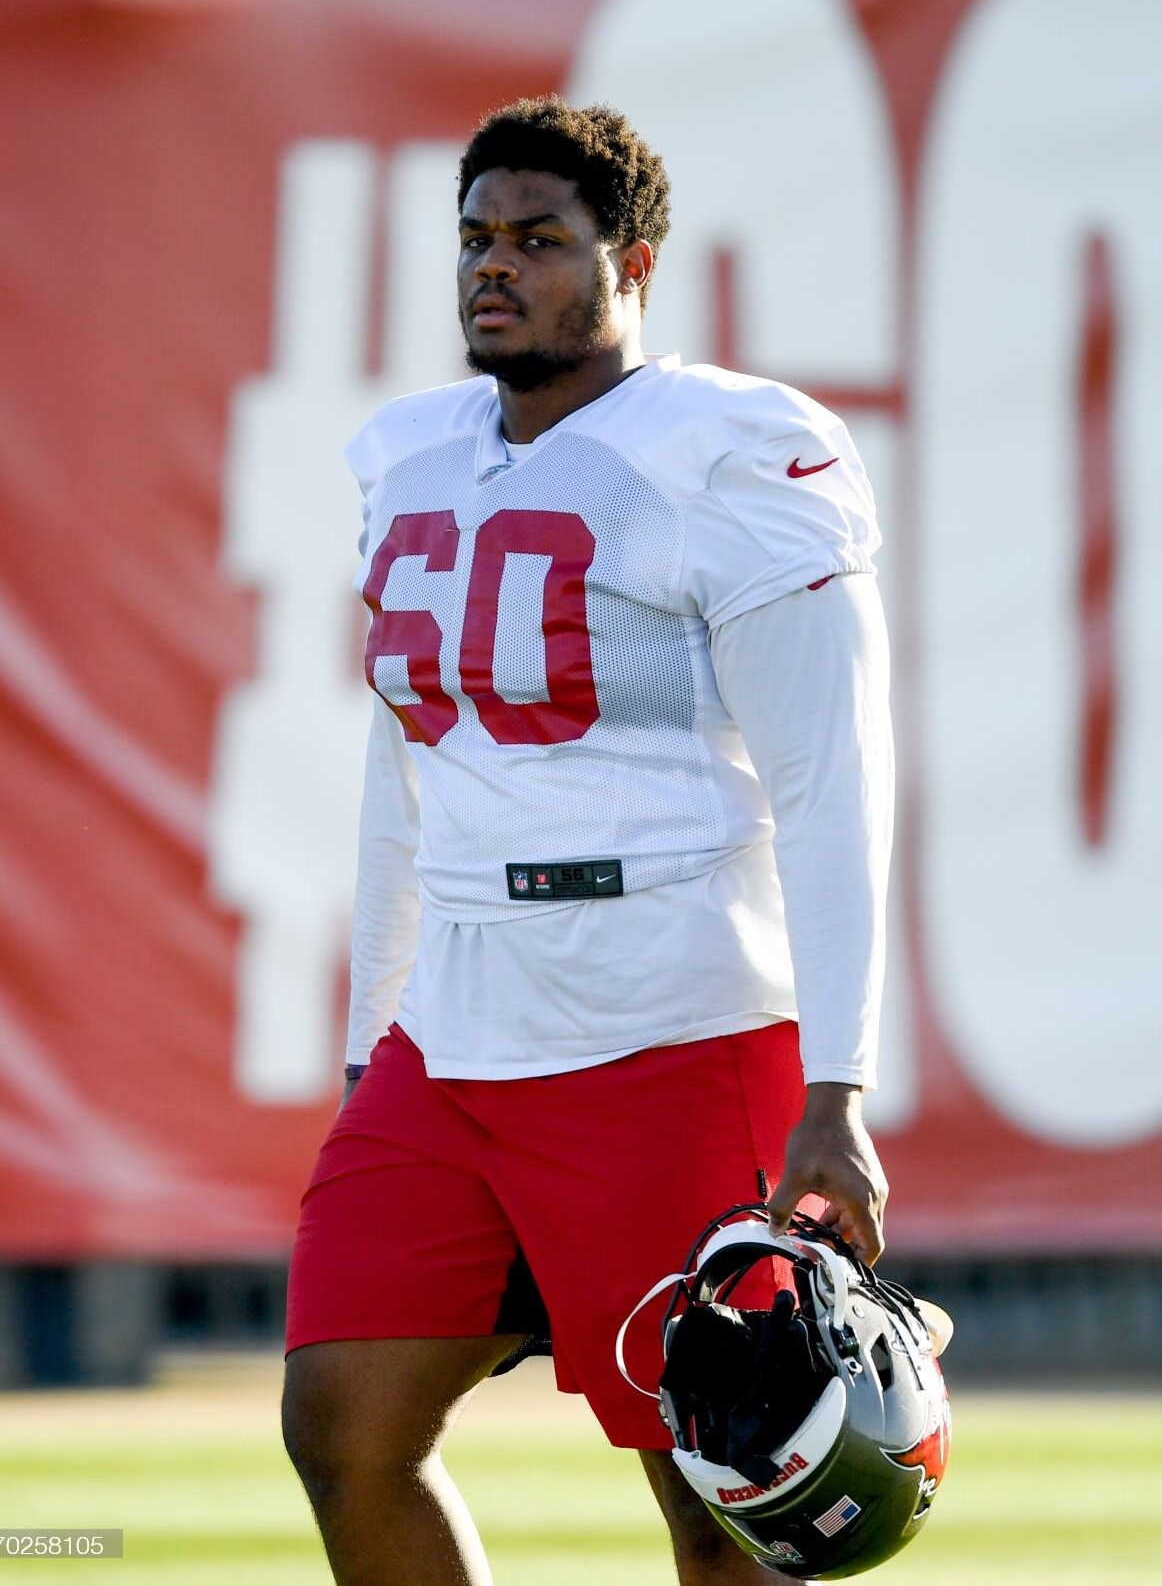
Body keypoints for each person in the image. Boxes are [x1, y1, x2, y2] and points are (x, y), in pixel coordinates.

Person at [281, 95, 892, 1586]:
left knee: (722, 1479)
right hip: (462, 1019)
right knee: (345, 1422)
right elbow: (402, 774)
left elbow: (833, 779)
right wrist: (374, 1034)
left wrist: (838, 1085)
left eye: (540, 241)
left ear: (635, 261)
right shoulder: (411, 455)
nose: (496, 269)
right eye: (478, 239)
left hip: (670, 1019)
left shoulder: (728, 452)